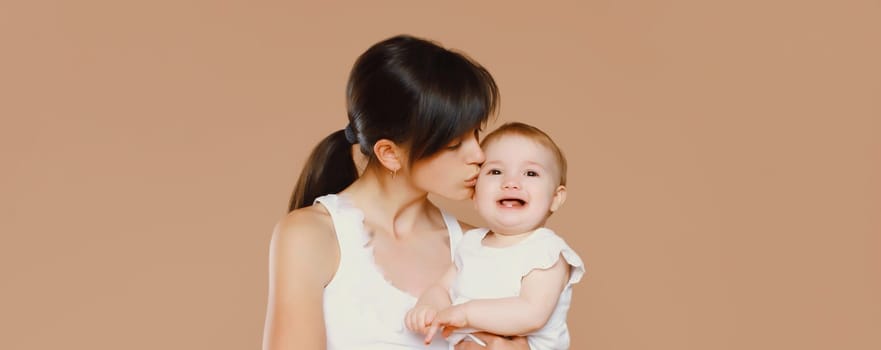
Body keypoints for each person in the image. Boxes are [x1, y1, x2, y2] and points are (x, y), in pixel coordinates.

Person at [261, 34, 530, 349]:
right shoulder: (311, 236)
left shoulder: (479, 248)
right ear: (389, 153)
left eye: (476, 133)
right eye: (455, 143)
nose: (478, 155)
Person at [404, 122, 585, 349]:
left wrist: (465, 314)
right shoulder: (471, 244)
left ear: (555, 198)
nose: (511, 183)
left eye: (530, 173)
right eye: (495, 171)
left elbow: (532, 313)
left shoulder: (547, 251)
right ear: (475, 195)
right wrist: (429, 307)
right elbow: (441, 288)